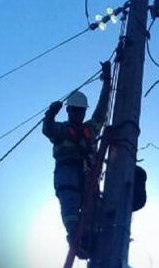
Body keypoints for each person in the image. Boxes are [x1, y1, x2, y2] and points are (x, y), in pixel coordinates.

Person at [42, 61, 111, 257]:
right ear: (69, 110)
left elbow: (102, 110)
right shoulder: (62, 130)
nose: (78, 113)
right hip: (67, 173)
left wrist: (107, 81)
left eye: (81, 111)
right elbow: (48, 129)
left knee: (94, 209)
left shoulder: (89, 129)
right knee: (70, 202)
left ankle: (90, 241)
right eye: (75, 110)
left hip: (87, 176)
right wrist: (50, 114)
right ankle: (75, 236)